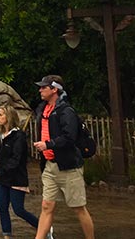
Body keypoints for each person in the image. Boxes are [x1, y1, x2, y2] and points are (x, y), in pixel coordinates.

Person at [33, 75, 94, 239]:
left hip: (69, 167)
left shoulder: (66, 111)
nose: (40, 90)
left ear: (55, 89)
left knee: (79, 208)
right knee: (46, 206)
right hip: (50, 166)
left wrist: (48, 144)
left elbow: (69, 138)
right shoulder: (43, 110)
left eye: (43, 87)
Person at [0, 104, 41, 239]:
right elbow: (3, 154)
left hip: (16, 177)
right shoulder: (3, 135)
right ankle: (7, 235)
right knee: (2, 207)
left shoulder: (19, 136)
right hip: (4, 178)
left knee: (18, 209)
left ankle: (44, 228)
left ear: (9, 116)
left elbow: (16, 160)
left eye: (1, 115)